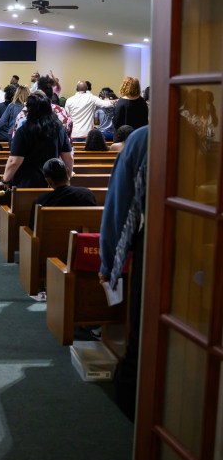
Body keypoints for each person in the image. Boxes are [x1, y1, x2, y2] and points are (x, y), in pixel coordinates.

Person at [99, 126, 149, 422]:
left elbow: (119, 204)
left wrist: (109, 264)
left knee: (142, 343)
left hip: (154, 249)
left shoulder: (143, 139)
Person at [0, 92, 72, 189]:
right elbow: (68, 157)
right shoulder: (59, 128)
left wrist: (5, 180)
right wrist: (68, 176)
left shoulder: (23, 130)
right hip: (52, 181)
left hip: (27, 182)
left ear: (29, 110)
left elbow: (14, 161)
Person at [28, 158, 97, 228]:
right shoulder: (87, 194)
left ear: (48, 181)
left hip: (52, 238)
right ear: (67, 172)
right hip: (81, 238)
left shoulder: (40, 201)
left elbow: (33, 230)